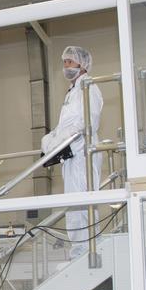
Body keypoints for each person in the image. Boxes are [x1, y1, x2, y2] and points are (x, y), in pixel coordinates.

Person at [41, 46, 103, 257]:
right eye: (64, 62)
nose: (66, 66)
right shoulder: (73, 91)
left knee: (82, 205)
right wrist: (51, 140)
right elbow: (66, 126)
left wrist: (62, 141)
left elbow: (87, 124)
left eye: (70, 62)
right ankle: (80, 250)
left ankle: (86, 250)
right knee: (74, 205)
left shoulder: (88, 88)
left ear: (82, 64)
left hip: (82, 154)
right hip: (72, 156)